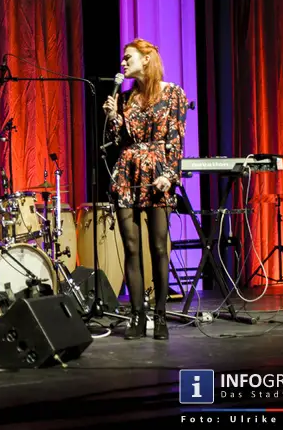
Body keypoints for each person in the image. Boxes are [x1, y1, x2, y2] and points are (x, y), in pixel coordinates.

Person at [102, 38, 187, 341]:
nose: (123, 63)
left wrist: (170, 175)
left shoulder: (173, 93)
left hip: (157, 171)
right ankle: (137, 316)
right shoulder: (126, 98)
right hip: (128, 170)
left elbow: (176, 139)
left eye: (128, 58)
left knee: (160, 247)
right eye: (122, 59)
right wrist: (114, 117)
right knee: (132, 247)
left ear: (147, 59)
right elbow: (118, 139)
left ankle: (160, 316)